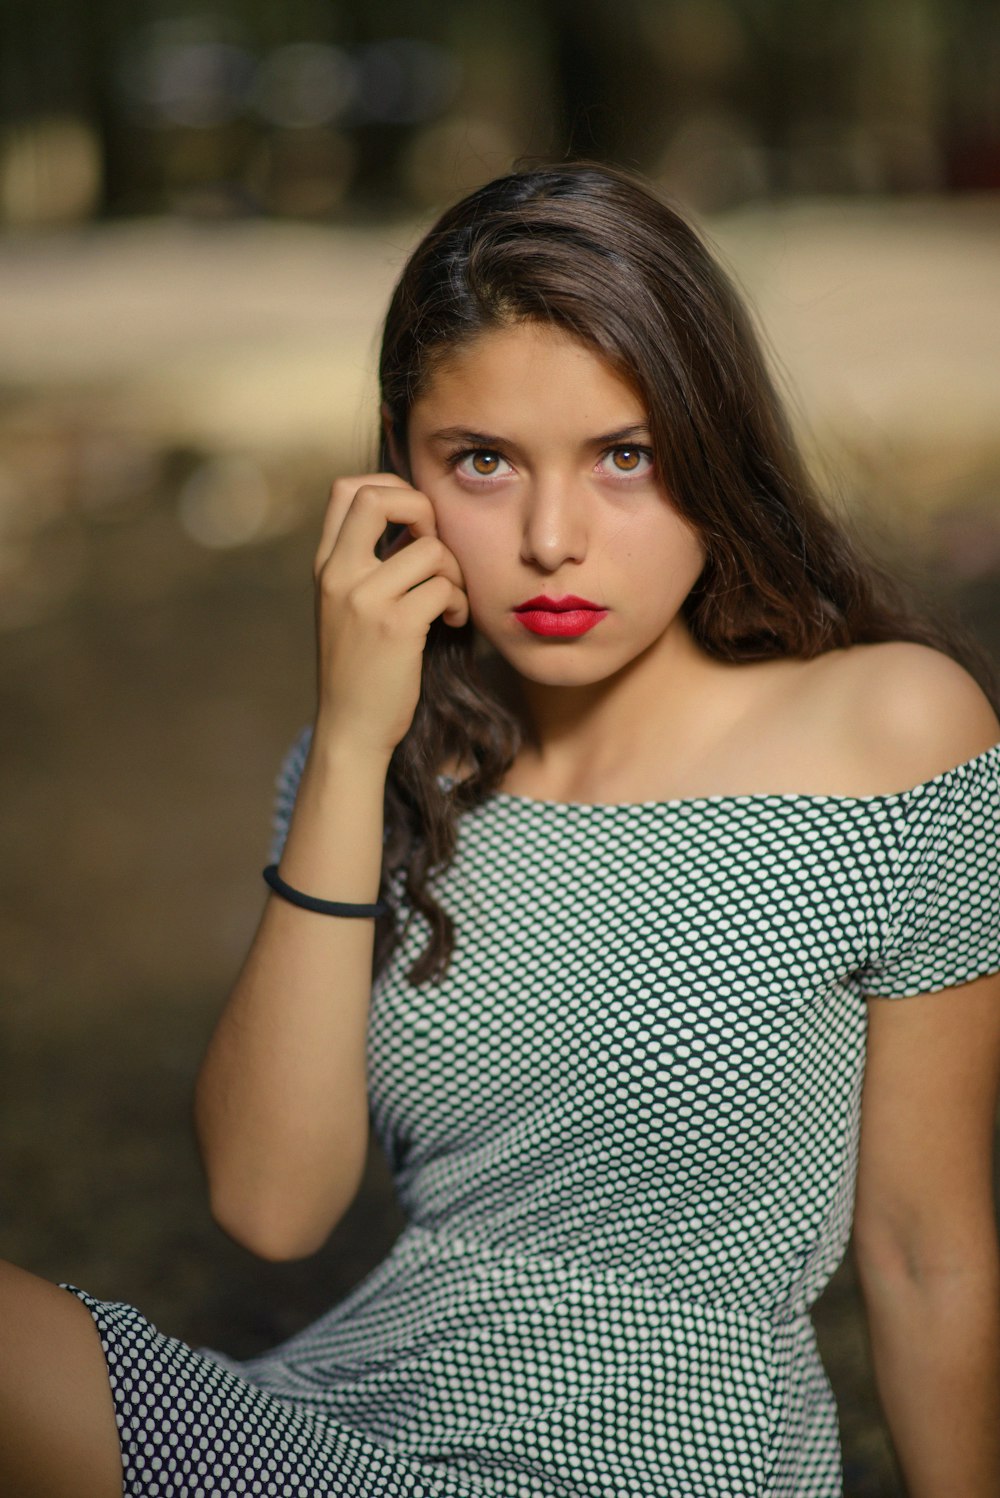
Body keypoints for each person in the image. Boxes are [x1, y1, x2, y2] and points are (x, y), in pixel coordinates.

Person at [3, 159, 999, 1498]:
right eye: (483, 461)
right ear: (400, 479)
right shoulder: (384, 766)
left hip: (670, 1459)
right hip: (344, 1424)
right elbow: (267, 1202)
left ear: (716, 449)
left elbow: (928, 1248)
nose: (549, 539)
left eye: (623, 457)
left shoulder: (892, 733)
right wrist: (354, 741)